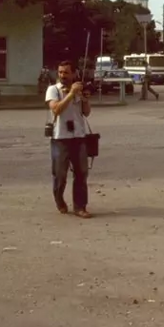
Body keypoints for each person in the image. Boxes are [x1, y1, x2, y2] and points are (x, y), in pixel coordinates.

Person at [46, 60, 93, 219]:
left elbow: (86, 113)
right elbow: (57, 109)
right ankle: (59, 198)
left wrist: (84, 98)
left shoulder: (78, 90)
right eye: (60, 72)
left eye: (66, 72)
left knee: (81, 173)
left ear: (73, 74)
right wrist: (71, 94)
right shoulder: (53, 90)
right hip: (60, 137)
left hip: (79, 136)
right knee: (60, 174)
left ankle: (80, 206)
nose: (62, 76)